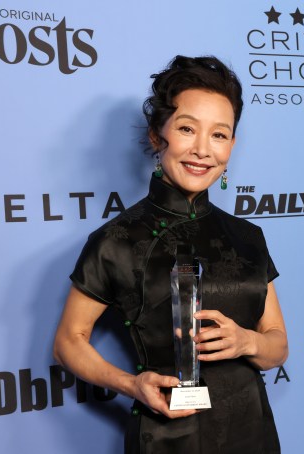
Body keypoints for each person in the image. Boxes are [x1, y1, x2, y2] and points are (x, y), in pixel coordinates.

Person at [53, 55, 288, 453]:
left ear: (231, 145)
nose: (202, 150)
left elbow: (277, 346)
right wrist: (131, 384)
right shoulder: (116, 239)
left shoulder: (248, 236)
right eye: (186, 129)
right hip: (167, 435)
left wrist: (247, 342)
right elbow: (68, 342)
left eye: (219, 135)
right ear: (156, 136)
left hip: (251, 431)